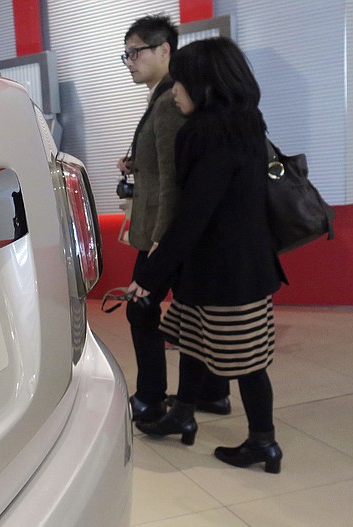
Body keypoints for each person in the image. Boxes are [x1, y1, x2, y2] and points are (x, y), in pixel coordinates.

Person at [129, 36, 287, 474]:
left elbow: (193, 213)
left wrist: (151, 275)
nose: (175, 90)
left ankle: (263, 442)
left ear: (206, 84)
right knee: (196, 343)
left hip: (227, 273)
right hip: (234, 267)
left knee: (248, 363)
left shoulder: (210, 134)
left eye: (182, 82)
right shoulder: (246, 123)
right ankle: (182, 414)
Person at [118, 14, 230, 423]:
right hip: (164, 230)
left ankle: (151, 395)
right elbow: (162, 165)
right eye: (125, 54)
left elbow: (173, 181)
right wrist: (135, 164)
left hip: (162, 232)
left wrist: (163, 240)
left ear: (165, 50)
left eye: (136, 52)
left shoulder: (169, 102)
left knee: (141, 308)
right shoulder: (162, 97)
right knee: (191, 309)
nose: (129, 60)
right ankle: (211, 393)